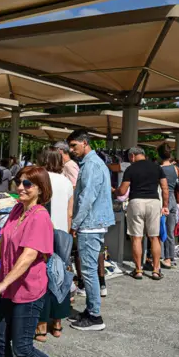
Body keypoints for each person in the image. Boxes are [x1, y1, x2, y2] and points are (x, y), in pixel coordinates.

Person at [0, 165, 78, 357]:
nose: (21, 187)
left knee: (23, 347)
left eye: (28, 184)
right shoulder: (17, 209)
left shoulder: (39, 217)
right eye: (19, 182)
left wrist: (3, 283)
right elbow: (3, 240)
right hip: (10, 288)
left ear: (40, 190)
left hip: (28, 290)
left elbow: (28, 256)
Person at [67, 130, 113, 331]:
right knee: (88, 269)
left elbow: (87, 197)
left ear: (85, 143)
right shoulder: (92, 163)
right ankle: (91, 310)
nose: (71, 150)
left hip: (90, 224)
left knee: (88, 270)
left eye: (74, 146)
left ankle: (95, 316)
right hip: (92, 222)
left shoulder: (92, 165)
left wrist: (75, 223)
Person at [35, 147, 74, 341]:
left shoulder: (40, 179)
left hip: (42, 232)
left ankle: (41, 325)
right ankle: (57, 324)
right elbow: (69, 212)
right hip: (62, 233)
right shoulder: (66, 181)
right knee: (60, 276)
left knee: (40, 277)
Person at [117, 147, 168, 281]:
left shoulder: (131, 169)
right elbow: (164, 188)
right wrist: (165, 205)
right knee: (154, 237)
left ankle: (138, 270)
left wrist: (114, 191)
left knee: (137, 237)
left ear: (132, 156)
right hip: (153, 202)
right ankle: (156, 270)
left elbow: (122, 191)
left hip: (136, 202)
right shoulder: (157, 167)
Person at [157, 145, 179, 269]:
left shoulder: (159, 169)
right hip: (174, 199)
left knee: (161, 230)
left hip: (163, 199)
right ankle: (170, 257)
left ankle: (164, 257)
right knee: (170, 231)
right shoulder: (175, 169)